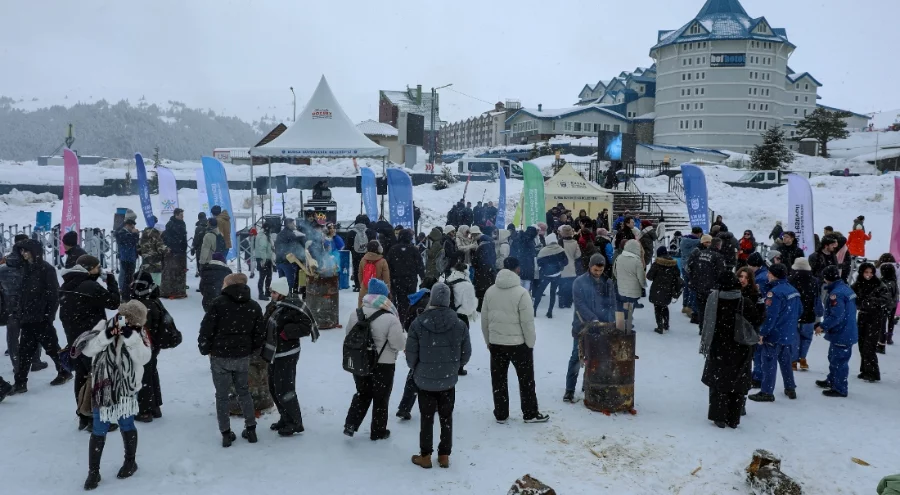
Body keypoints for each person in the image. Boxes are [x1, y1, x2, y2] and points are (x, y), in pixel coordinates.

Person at [75, 300, 152, 491]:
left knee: (127, 424)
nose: (129, 323)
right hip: (103, 387)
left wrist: (131, 337)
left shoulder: (140, 333)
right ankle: (93, 472)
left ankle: (130, 462)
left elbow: (144, 358)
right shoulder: (103, 325)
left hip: (127, 389)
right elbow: (88, 350)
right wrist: (107, 335)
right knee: (99, 427)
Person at [407, 282, 472, 469]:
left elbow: (411, 354)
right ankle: (444, 455)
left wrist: (417, 368)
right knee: (446, 417)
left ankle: (425, 455)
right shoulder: (459, 324)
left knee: (426, 418)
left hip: (424, 380)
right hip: (448, 380)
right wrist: (455, 366)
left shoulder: (418, 323)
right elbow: (466, 353)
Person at [198, 273, 265, 447]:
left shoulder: (218, 304)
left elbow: (206, 329)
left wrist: (205, 348)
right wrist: (249, 349)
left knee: (222, 396)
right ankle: (251, 429)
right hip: (242, 356)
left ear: (228, 285)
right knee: (244, 392)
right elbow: (260, 333)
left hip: (220, 356)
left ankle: (226, 433)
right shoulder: (253, 305)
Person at [481, 258, 549, 425]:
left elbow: (484, 319)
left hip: (496, 343)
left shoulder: (490, 291)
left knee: (498, 380)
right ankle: (530, 413)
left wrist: (488, 340)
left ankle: (501, 413)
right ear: (518, 269)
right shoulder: (522, 293)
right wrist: (530, 343)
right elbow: (527, 322)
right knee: (526, 380)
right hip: (519, 344)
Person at [59, 255, 121, 430]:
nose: (99, 270)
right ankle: (97, 420)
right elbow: (114, 302)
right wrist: (111, 282)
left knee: (81, 375)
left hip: (75, 339)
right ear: (89, 269)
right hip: (92, 337)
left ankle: (83, 416)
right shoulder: (90, 286)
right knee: (96, 377)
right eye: (97, 267)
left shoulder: (67, 284)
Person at [343, 279, 406, 440]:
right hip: (383, 364)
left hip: (360, 360)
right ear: (384, 296)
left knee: (363, 393)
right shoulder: (390, 318)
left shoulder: (356, 314)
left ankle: (351, 423)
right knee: (381, 398)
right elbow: (398, 344)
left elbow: (349, 335)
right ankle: (378, 431)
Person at [700, 272, 761, 429]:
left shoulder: (714, 300)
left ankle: (718, 416)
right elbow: (757, 320)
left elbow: (705, 321)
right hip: (740, 347)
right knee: (737, 382)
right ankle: (733, 418)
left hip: (719, 346)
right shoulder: (744, 302)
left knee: (719, 382)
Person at [11, 239, 71, 393]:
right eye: (21, 251)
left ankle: (64, 371)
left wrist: (48, 316)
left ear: (34, 252)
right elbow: (22, 293)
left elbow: (54, 295)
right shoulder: (25, 268)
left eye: (26, 250)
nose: (23, 254)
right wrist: (20, 311)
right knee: (24, 352)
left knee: (52, 348)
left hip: (41, 318)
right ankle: (20, 383)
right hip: (27, 318)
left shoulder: (46, 269)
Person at [261, 276, 318, 436]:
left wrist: (287, 332)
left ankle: (295, 422)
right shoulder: (274, 306)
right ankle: (285, 418)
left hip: (287, 353)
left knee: (284, 389)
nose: (271, 294)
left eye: (274, 292)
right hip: (274, 353)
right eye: (271, 292)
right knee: (273, 387)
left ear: (282, 293)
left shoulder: (293, 307)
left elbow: (306, 326)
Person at [566, 254, 618, 403]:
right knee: (576, 357)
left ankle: (588, 385)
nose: (598, 273)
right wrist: (592, 318)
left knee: (596, 358)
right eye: (595, 270)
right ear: (590, 267)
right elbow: (579, 304)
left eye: (600, 270)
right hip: (582, 326)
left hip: (602, 328)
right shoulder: (579, 282)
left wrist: (610, 319)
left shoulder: (608, 282)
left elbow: (612, 303)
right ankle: (569, 390)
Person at [748, 264, 802, 403]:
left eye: (769, 273)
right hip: (788, 333)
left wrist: (762, 332)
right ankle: (790, 387)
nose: (767, 275)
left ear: (773, 275)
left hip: (775, 334)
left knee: (768, 363)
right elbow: (800, 310)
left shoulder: (774, 293)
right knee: (786, 362)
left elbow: (770, 317)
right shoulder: (793, 290)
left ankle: (767, 392)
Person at [0, 237, 46, 376]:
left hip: (10, 309)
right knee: (33, 334)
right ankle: (35, 361)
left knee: (12, 338)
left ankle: (17, 366)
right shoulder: (33, 269)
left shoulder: (3, 270)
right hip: (30, 308)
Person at [814, 266, 859, 397]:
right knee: (834, 357)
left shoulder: (836, 294)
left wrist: (823, 326)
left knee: (839, 361)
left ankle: (839, 388)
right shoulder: (845, 288)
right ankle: (832, 380)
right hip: (846, 330)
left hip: (842, 332)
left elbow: (836, 315)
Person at [130, 270, 169, 423]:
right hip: (154, 345)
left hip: (142, 346)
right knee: (151, 372)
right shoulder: (154, 300)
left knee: (143, 375)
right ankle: (155, 407)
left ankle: (145, 410)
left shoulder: (139, 304)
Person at [851, 262, 892, 382]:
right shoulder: (857, 284)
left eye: (871, 272)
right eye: (866, 272)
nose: (868, 275)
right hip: (862, 316)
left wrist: (871, 301)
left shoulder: (879, 284)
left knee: (869, 345)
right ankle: (865, 370)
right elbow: (851, 296)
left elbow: (886, 299)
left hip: (875, 317)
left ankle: (873, 372)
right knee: (862, 344)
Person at [788, 258, 824, 371]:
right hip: (809, 315)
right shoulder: (814, 281)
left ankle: (793, 361)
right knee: (806, 338)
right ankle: (803, 359)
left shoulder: (790, 280)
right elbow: (817, 298)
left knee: (794, 338)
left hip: (793, 314)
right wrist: (818, 314)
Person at [686, 235, 726, 331]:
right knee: (711, 309)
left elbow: (690, 266)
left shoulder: (700, 253)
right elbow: (721, 273)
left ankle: (701, 327)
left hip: (699, 286)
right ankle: (708, 329)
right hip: (711, 287)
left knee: (701, 308)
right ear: (718, 246)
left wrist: (693, 280)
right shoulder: (718, 256)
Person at [387, 229, 424, 323]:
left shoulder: (393, 249)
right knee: (411, 300)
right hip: (411, 280)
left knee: (400, 301)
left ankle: (401, 320)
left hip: (397, 280)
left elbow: (389, 266)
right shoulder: (414, 249)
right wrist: (423, 277)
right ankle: (410, 319)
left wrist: (389, 279)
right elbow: (420, 265)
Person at [647, 246, 683, 334]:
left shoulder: (657, 264)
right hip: (668, 289)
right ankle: (666, 324)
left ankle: (660, 327)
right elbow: (677, 276)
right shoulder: (673, 264)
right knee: (664, 306)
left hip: (657, 289)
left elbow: (649, 276)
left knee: (657, 307)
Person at [613, 240, 646, 330]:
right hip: (631, 288)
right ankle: (628, 323)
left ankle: (620, 324)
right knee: (630, 306)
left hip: (620, 286)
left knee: (620, 305)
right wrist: (642, 285)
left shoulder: (618, 257)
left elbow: (614, 271)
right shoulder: (636, 260)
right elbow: (641, 276)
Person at [533, 239, 567, 318]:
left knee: (539, 292)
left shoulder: (544, 250)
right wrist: (559, 265)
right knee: (553, 293)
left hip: (545, 275)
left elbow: (539, 262)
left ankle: (534, 310)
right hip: (556, 275)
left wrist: (546, 265)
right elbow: (566, 261)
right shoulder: (561, 250)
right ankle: (550, 312)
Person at [160, 208, 188, 299]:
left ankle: (180, 290)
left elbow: (183, 237)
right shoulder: (170, 224)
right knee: (171, 272)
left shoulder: (182, 224)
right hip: (173, 252)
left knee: (181, 272)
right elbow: (168, 238)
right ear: (176, 215)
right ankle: (169, 291)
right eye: (181, 215)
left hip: (181, 252)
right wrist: (173, 247)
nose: (183, 217)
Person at [137, 218, 169, 288]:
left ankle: (146, 292)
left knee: (147, 283)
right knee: (156, 284)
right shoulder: (156, 236)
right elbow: (162, 249)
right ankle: (154, 293)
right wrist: (168, 250)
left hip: (146, 263)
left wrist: (145, 255)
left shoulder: (144, 234)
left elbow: (139, 247)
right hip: (155, 264)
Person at [358, 240, 391, 306]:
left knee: (362, 309)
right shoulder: (383, 261)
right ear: (379, 249)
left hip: (365, 289)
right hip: (378, 290)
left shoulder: (363, 260)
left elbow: (360, 274)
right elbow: (386, 279)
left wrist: (363, 285)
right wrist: (388, 290)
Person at [679, 227, 703, 318]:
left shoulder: (683, 240)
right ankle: (690, 307)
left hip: (683, 265)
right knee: (693, 287)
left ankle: (685, 305)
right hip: (691, 266)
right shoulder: (697, 242)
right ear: (699, 233)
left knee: (686, 286)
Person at [275, 218, 303, 293]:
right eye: (293, 223)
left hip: (279, 261)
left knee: (282, 282)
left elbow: (276, 247)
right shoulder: (290, 234)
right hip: (287, 262)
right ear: (288, 224)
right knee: (290, 284)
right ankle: (289, 297)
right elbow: (295, 248)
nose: (294, 225)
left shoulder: (280, 234)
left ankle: (283, 297)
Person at [347, 215, 375, 292]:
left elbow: (348, 246)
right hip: (367, 255)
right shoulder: (370, 232)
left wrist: (353, 250)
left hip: (355, 255)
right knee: (367, 269)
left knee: (357, 269)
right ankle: (367, 284)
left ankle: (357, 285)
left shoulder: (351, 232)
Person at [115, 219, 140, 301]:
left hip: (131, 257)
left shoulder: (128, 233)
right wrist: (135, 234)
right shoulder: (121, 233)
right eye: (132, 227)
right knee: (125, 277)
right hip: (126, 258)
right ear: (127, 225)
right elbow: (131, 241)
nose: (133, 228)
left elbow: (135, 242)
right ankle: (124, 294)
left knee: (130, 277)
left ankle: (127, 293)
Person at [472, 227, 496, 311]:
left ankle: (480, 307)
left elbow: (475, 261)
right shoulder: (491, 245)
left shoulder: (482, 246)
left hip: (481, 272)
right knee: (488, 289)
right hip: (490, 271)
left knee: (480, 290)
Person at [558, 225, 581, 309]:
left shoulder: (560, 242)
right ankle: (568, 303)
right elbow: (578, 255)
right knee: (570, 286)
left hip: (562, 267)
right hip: (572, 267)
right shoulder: (575, 242)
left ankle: (561, 303)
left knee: (561, 286)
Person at [511, 226, 538, 290]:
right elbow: (532, 253)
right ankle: (525, 295)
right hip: (528, 264)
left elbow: (513, 250)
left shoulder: (518, 238)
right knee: (527, 282)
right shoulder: (530, 241)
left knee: (519, 281)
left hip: (518, 263)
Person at [253, 223, 275, 301]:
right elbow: (262, 249)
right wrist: (263, 260)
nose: (272, 230)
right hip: (263, 258)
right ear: (267, 228)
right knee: (262, 277)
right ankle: (261, 294)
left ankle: (267, 292)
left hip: (267, 258)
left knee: (269, 276)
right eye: (271, 228)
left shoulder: (266, 235)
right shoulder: (262, 236)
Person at [879, 263, 898, 348]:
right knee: (891, 321)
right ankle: (889, 338)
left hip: (886, 305)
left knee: (882, 323)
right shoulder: (894, 281)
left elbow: (885, 295)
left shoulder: (884, 282)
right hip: (893, 304)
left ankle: (881, 341)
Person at [191, 213, 207, 277]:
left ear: (198, 218)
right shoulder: (210, 225)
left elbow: (196, 239)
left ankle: (202, 277)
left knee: (200, 265)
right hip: (209, 249)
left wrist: (193, 247)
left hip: (200, 249)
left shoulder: (198, 227)